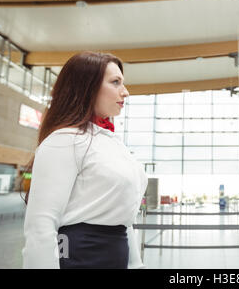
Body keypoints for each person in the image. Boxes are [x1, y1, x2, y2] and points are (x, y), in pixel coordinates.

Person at [22, 51, 148, 269]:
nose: (125, 92)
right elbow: (40, 226)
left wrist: (136, 265)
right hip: (81, 259)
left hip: (116, 255)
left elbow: (124, 219)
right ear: (87, 86)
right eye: (115, 82)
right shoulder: (64, 141)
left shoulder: (112, 143)